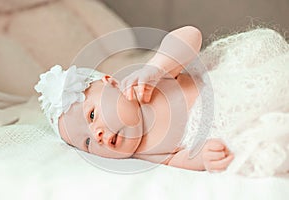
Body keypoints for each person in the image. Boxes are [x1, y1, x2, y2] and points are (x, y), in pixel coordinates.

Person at [35, 26, 289, 177]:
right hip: (237, 126)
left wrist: (157, 67)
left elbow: (190, 35)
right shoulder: (146, 153)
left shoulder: (149, 84)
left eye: (91, 116)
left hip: (236, 89)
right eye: (87, 142)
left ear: (113, 84)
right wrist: (203, 159)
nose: (97, 134)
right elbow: (178, 158)